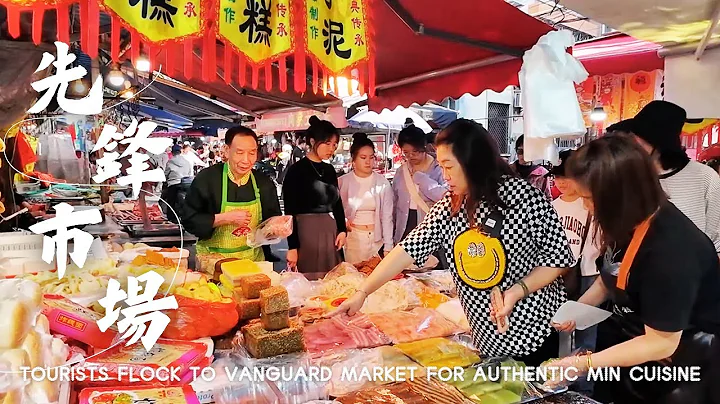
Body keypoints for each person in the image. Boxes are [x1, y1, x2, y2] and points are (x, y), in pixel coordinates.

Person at [332, 119, 575, 365]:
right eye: (442, 166)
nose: (445, 176)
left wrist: (516, 291)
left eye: (449, 167)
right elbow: (409, 248)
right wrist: (362, 292)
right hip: (486, 334)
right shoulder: (453, 203)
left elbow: (557, 260)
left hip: (531, 330)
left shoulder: (525, 199)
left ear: (473, 162)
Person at [551, 134, 720, 404]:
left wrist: (583, 364)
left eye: (589, 198)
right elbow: (611, 277)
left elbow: (661, 343)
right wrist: (578, 309)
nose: (586, 207)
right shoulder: (630, 222)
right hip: (635, 353)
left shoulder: (672, 249)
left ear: (620, 195)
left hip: (680, 370)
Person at [607, 100, 720, 254]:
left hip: (689, 272)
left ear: (658, 143)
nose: (630, 144)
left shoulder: (704, 178)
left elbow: (716, 239)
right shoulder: (630, 176)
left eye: (636, 138)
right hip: (638, 270)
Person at [182, 126, 282, 262]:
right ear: (227, 151)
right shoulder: (207, 179)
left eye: (252, 153)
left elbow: (271, 220)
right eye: (240, 153)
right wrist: (224, 218)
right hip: (213, 261)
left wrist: (276, 227)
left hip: (252, 261)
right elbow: (189, 220)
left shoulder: (263, 182)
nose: (246, 160)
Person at [549, 149, 600, 395]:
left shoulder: (589, 203)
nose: (561, 182)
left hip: (589, 275)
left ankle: (584, 390)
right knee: (562, 329)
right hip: (558, 275)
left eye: (566, 177)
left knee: (586, 335)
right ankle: (560, 385)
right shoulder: (550, 207)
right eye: (557, 177)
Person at [283, 116, 347, 275]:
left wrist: (342, 230)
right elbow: (289, 212)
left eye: (334, 144)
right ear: (312, 141)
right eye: (327, 143)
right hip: (306, 234)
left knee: (333, 281)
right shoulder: (296, 171)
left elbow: (337, 202)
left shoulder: (330, 170)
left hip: (330, 232)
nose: (331, 149)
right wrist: (292, 247)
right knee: (308, 281)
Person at [338, 133, 394, 264]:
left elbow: (387, 217)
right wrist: (342, 221)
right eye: (363, 157)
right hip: (353, 240)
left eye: (371, 157)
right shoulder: (342, 182)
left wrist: (388, 245)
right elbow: (334, 210)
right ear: (354, 159)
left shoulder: (383, 183)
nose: (368, 162)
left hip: (376, 240)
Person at [392, 124, 447, 246]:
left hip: (429, 228)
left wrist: (421, 178)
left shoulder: (439, 168)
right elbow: (394, 203)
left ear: (424, 147)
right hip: (404, 226)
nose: (411, 156)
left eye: (415, 152)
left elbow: (445, 196)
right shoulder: (401, 172)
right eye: (406, 152)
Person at [511, 135, 552, 199]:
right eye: (520, 151)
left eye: (527, 152)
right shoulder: (508, 170)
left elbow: (548, 198)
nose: (523, 155)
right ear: (516, 151)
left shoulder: (543, 174)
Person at [162, 145, 194, 223]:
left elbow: (166, 173)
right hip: (185, 184)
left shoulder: (170, 161)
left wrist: (165, 179)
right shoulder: (186, 162)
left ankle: (171, 218)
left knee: (171, 202)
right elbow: (190, 173)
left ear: (172, 152)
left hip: (173, 183)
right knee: (185, 202)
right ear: (180, 152)